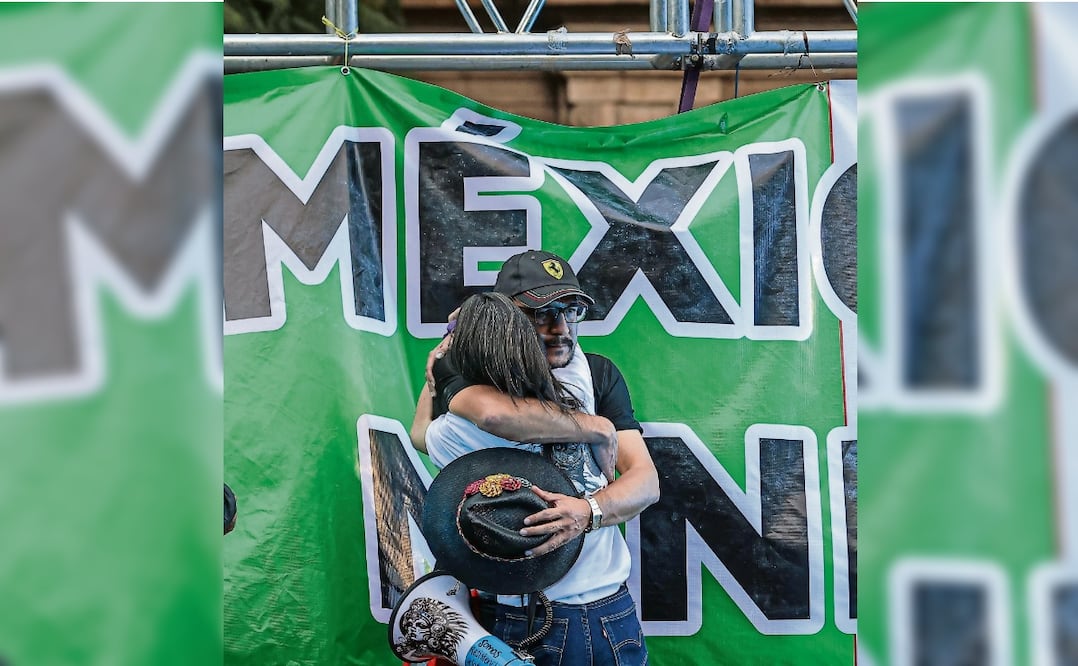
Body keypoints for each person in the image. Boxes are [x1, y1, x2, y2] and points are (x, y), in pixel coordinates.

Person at [411, 250, 659, 666]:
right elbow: (483, 417)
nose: (559, 328)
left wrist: (589, 510)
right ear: (508, 320)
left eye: (570, 310)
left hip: (609, 613)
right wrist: (596, 427)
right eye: (541, 314)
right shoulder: (470, 387)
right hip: (516, 619)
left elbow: (646, 482)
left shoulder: (596, 374)